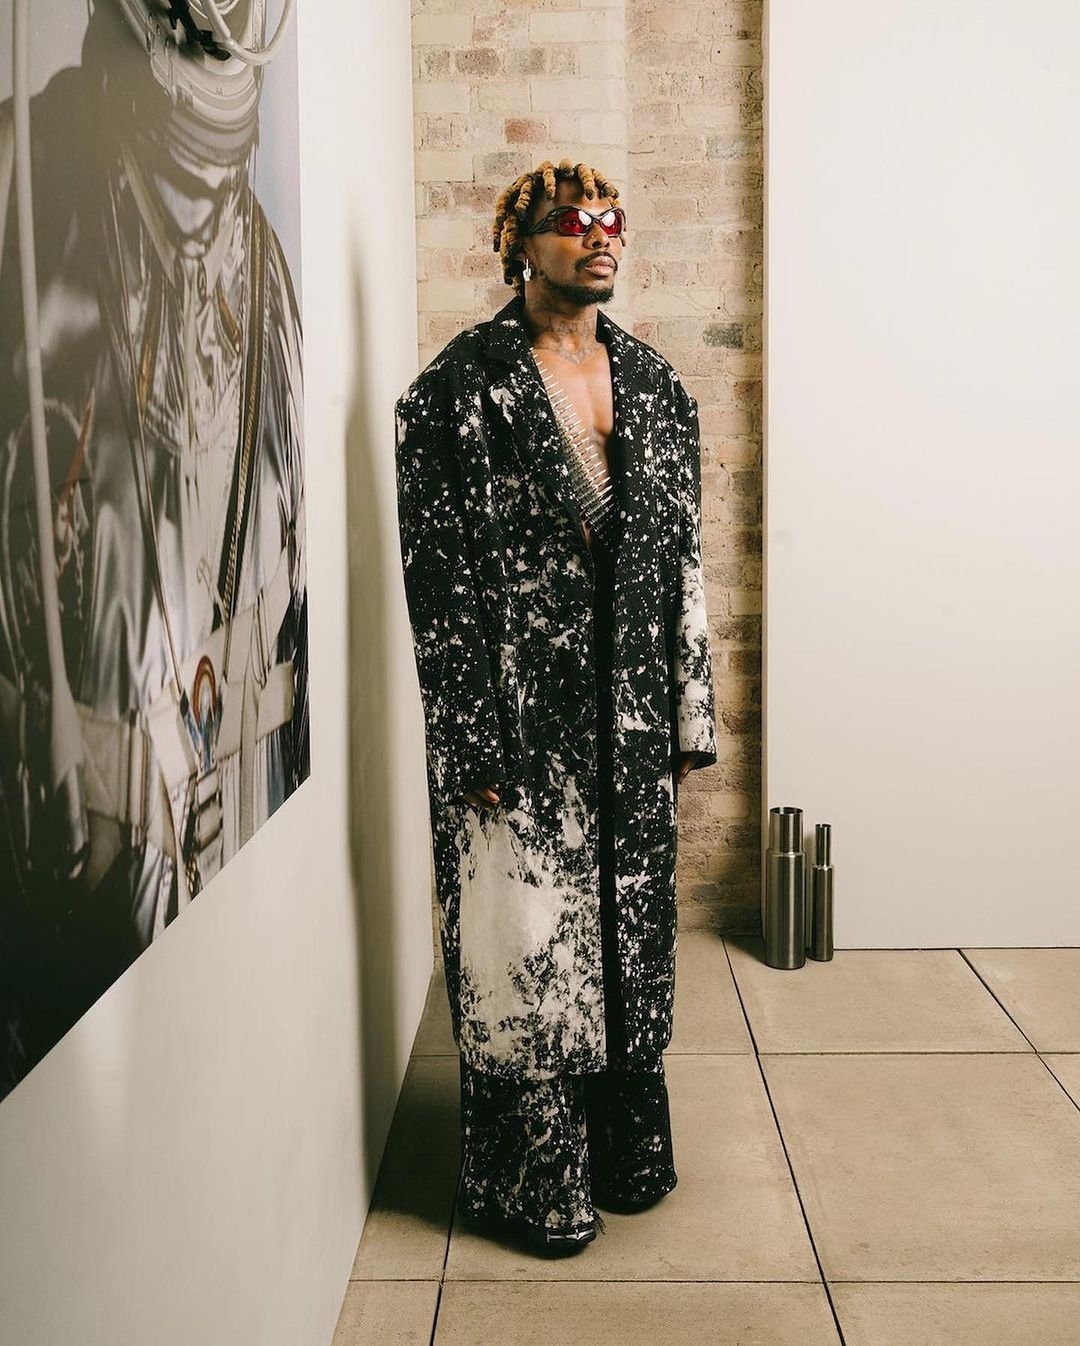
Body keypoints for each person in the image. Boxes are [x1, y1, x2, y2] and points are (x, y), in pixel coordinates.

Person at [394, 157, 717, 1254]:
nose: (600, 234)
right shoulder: (454, 393)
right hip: (518, 722)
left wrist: (688, 710)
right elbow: (436, 583)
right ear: (519, 244)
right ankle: (531, 1183)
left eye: (612, 218)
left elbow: (684, 560)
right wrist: (468, 735)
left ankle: (626, 1152)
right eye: (574, 220)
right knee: (526, 951)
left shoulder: (658, 387)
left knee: (629, 938)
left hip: (630, 720)